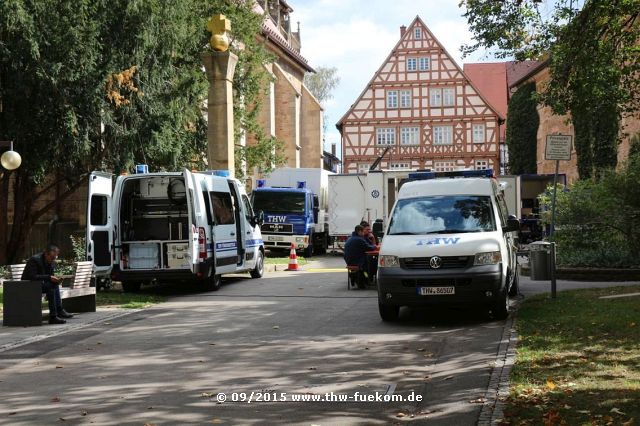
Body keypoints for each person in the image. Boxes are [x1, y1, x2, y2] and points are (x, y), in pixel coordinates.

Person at [21, 244, 74, 324]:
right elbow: (31, 276)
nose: (53, 260)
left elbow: (50, 276)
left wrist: (56, 280)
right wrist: (49, 277)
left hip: (38, 284)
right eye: (52, 258)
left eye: (55, 258)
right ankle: (53, 316)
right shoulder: (35, 260)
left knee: (54, 285)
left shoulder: (50, 261)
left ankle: (58, 311)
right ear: (46, 254)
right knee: (50, 287)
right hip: (28, 285)